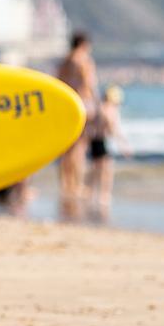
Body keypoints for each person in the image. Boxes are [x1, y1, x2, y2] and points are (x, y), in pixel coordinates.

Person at [53, 32, 98, 221]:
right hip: (82, 105)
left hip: (66, 105)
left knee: (67, 149)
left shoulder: (65, 62)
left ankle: (66, 185)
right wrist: (97, 105)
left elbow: (59, 83)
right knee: (80, 148)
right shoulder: (84, 61)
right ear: (84, 44)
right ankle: (77, 185)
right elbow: (89, 84)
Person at [86, 84, 125, 223]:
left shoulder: (99, 108)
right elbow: (113, 129)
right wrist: (124, 145)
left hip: (94, 141)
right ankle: (104, 195)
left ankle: (90, 192)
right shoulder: (110, 110)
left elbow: (89, 124)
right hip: (104, 141)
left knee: (95, 169)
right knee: (106, 171)